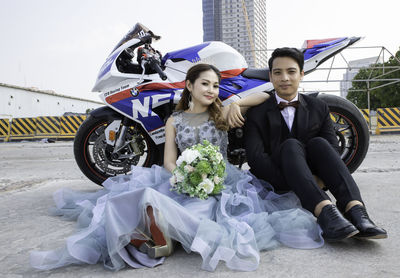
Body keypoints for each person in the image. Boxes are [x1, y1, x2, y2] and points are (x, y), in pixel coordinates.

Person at [30, 63, 324, 273]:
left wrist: (235, 101)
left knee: (205, 215)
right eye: (205, 84)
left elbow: (267, 96)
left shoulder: (220, 111)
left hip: (223, 182)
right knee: (139, 196)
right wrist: (183, 176)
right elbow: (169, 159)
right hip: (184, 179)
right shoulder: (174, 120)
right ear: (189, 85)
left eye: (215, 85)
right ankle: (160, 232)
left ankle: (162, 235)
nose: (211, 90)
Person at [244, 47, 387, 242]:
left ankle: (356, 211)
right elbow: (256, 160)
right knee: (291, 145)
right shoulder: (257, 112)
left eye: (291, 71)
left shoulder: (318, 106)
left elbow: (332, 150)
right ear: (270, 76)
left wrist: (318, 179)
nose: (284, 77)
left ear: (301, 74)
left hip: (313, 174)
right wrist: (301, 181)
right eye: (278, 72)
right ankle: (326, 213)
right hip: (278, 180)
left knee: (320, 143)